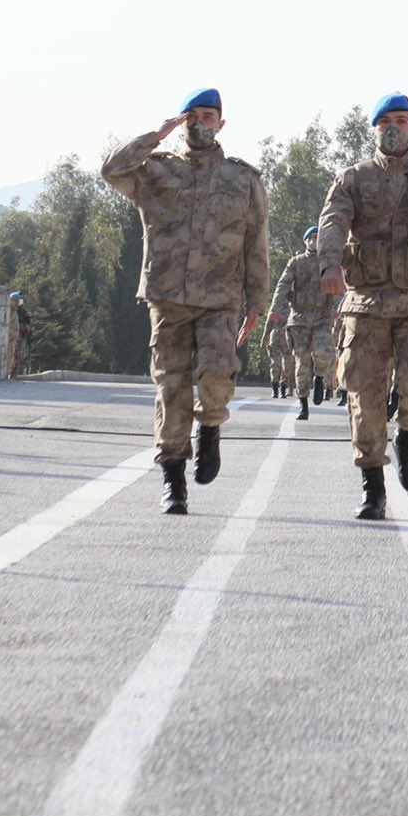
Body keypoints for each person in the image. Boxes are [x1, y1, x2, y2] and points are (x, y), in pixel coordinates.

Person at [101, 88, 269, 515]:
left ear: (221, 123)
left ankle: (210, 426)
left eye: (208, 116)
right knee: (171, 389)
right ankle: (173, 479)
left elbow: (256, 243)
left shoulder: (243, 179)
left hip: (221, 298)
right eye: (191, 116)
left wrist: (257, 302)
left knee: (217, 372)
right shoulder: (154, 171)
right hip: (168, 297)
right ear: (181, 122)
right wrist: (155, 136)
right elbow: (111, 169)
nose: (199, 123)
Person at [317, 92, 408, 520]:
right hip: (366, 301)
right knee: (364, 394)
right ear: (375, 129)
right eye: (387, 122)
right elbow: (332, 222)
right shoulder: (353, 178)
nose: (395, 127)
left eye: (403, 120)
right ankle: (372, 486)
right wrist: (329, 263)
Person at [272, 226, 336, 420]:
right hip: (298, 319)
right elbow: (282, 285)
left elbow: (339, 285)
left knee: (324, 351)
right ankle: (303, 404)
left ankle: (320, 377)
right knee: (301, 363)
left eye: (318, 237)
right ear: (305, 240)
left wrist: (339, 307)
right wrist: (275, 308)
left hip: (322, 318)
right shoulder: (296, 262)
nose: (314, 240)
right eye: (311, 237)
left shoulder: (329, 262)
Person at [7, 291, 31, 378]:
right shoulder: (11, 311)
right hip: (13, 337)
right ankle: (10, 374)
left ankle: (14, 374)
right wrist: (22, 327)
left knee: (18, 358)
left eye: (19, 299)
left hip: (20, 337)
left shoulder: (21, 311)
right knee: (12, 357)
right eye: (16, 300)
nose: (18, 301)